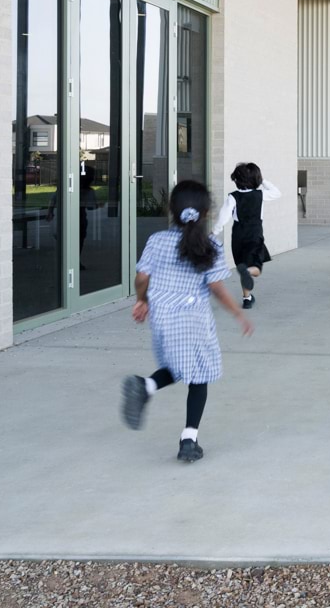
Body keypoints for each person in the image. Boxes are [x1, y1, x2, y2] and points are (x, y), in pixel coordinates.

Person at [120, 180, 253, 463]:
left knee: (178, 366)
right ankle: (189, 439)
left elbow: (142, 277)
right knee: (199, 375)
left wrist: (142, 300)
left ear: (171, 210)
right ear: (205, 214)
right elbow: (216, 288)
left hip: (163, 318)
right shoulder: (210, 246)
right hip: (194, 320)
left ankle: (147, 387)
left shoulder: (157, 240)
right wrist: (238, 313)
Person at [212, 162, 280, 310]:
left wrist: (214, 232)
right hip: (254, 234)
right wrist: (263, 181)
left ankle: (247, 298)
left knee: (242, 264)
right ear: (256, 179)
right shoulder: (260, 195)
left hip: (238, 235)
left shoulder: (233, 197)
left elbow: (223, 217)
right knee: (255, 268)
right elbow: (276, 192)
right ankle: (248, 272)